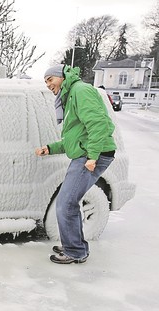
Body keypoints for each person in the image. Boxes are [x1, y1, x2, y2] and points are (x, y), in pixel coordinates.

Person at [35, 64, 116, 264]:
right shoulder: (71, 94)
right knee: (69, 202)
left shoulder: (80, 90)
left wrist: (93, 156)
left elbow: (98, 124)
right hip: (87, 152)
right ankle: (75, 246)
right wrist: (50, 148)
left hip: (91, 154)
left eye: (50, 79)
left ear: (62, 77)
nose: (48, 85)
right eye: (45, 82)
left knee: (66, 203)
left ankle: (75, 251)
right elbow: (77, 137)